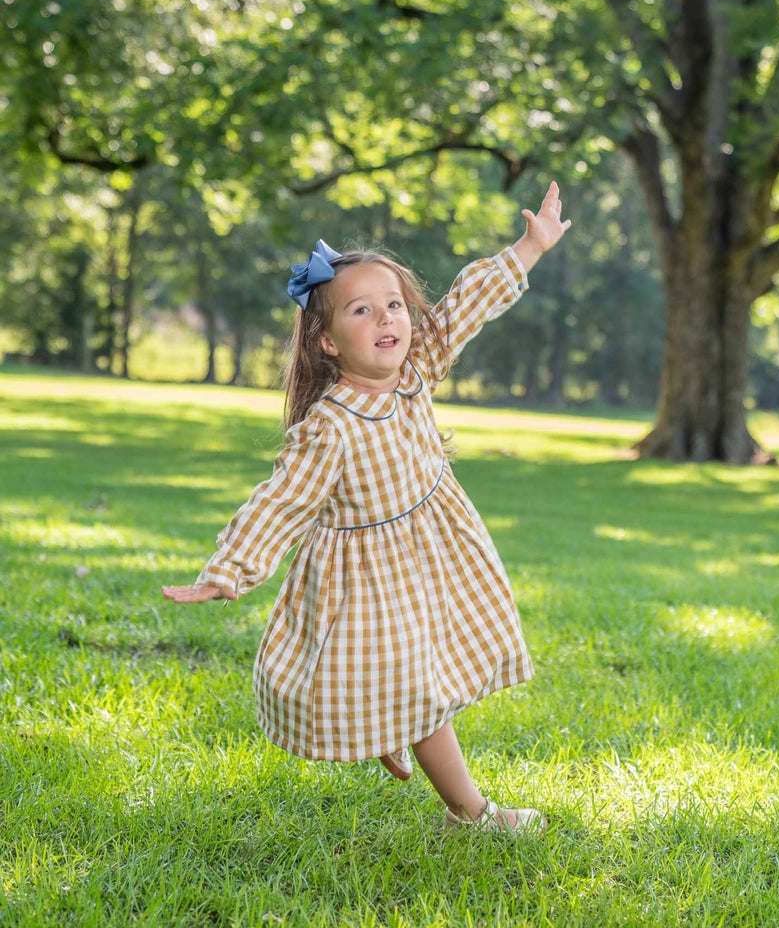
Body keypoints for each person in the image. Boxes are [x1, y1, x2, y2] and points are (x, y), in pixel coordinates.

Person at [162, 182, 571, 833]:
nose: (386, 319)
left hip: (432, 551)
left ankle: (393, 724)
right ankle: (471, 812)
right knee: (424, 689)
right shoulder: (332, 425)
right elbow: (283, 500)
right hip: (368, 577)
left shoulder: (414, 371)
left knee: (429, 667)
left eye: (394, 306)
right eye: (361, 311)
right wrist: (228, 570)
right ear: (326, 342)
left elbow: (467, 304)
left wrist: (528, 247)